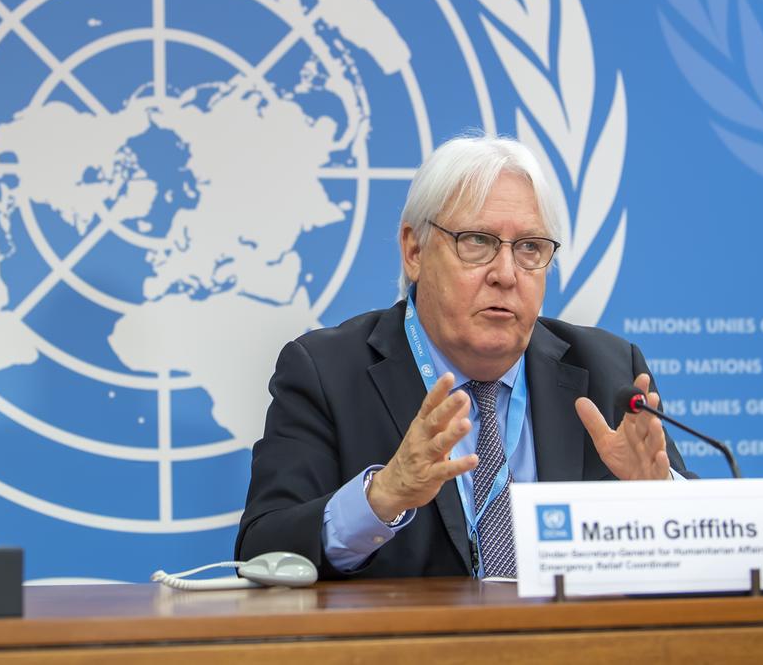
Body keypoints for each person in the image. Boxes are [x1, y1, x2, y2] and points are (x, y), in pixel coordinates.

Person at [235, 133, 692, 580]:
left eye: (530, 247)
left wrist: (661, 501)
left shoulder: (608, 370)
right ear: (414, 251)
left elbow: (708, 547)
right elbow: (263, 551)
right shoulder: (327, 372)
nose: (506, 274)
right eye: (477, 242)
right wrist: (382, 498)